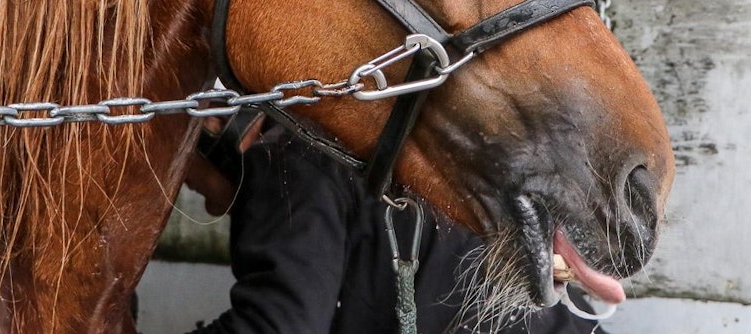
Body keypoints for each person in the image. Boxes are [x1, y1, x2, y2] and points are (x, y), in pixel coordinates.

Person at [183, 111, 608, 334]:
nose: (196, 197)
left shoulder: (286, 162)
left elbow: (277, 328)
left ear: (212, 122)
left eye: (182, 175)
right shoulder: (355, 134)